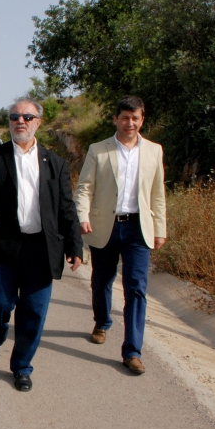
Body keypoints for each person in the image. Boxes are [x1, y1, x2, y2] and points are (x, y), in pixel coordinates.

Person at [0, 98, 83, 392]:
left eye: (27, 117)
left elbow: (66, 208)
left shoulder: (55, 163)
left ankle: (22, 367)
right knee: (1, 302)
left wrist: (75, 246)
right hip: (3, 246)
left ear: (38, 123)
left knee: (33, 312)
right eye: (15, 116)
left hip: (41, 250)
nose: (20, 121)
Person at [74, 95, 166, 375]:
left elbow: (158, 193)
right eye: (125, 118)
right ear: (116, 119)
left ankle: (132, 351)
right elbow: (84, 187)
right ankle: (102, 321)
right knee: (102, 280)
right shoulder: (98, 150)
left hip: (139, 228)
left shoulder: (154, 151)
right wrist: (82, 215)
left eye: (135, 118)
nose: (130, 123)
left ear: (142, 120)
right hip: (106, 226)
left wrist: (160, 229)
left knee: (136, 288)